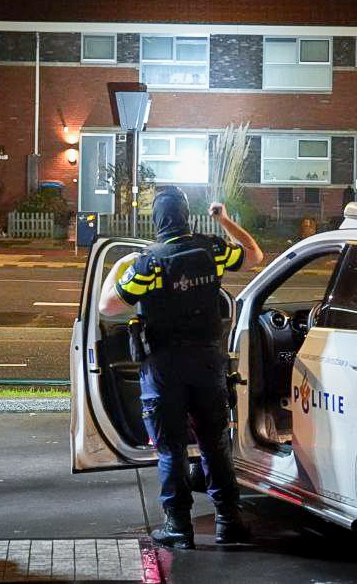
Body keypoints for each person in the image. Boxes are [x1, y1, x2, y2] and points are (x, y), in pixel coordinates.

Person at [99, 186, 264, 549]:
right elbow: (254, 256)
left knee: (171, 448)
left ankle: (178, 527)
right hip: (207, 363)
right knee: (215, 443)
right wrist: (224, 220)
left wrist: (118, 267)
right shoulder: (213, 250)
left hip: (163, 368)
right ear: (186, 217)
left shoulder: (148, 263)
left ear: (156, 220)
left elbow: (108, 307)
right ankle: (229, 521)